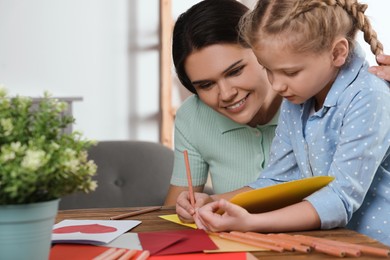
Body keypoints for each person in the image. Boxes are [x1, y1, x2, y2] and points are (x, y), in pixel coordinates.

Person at [176, 0, 390, 246]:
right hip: (333, 243)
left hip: (377, 246)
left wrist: (251, 223)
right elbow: (277, 180)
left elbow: (339, 198)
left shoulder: (369, 95)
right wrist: (215, 203)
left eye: (290, 72)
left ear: (337, 53)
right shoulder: (299, 96)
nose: (276, 86)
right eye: (268, 69)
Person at [164, 0, 282, 205]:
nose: (226, 94)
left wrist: (214, 202)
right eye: (206, 85)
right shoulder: (193, 116)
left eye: (235, 71)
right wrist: (185, 208)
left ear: (262, 49)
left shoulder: (308, 100)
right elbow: (174, 212)